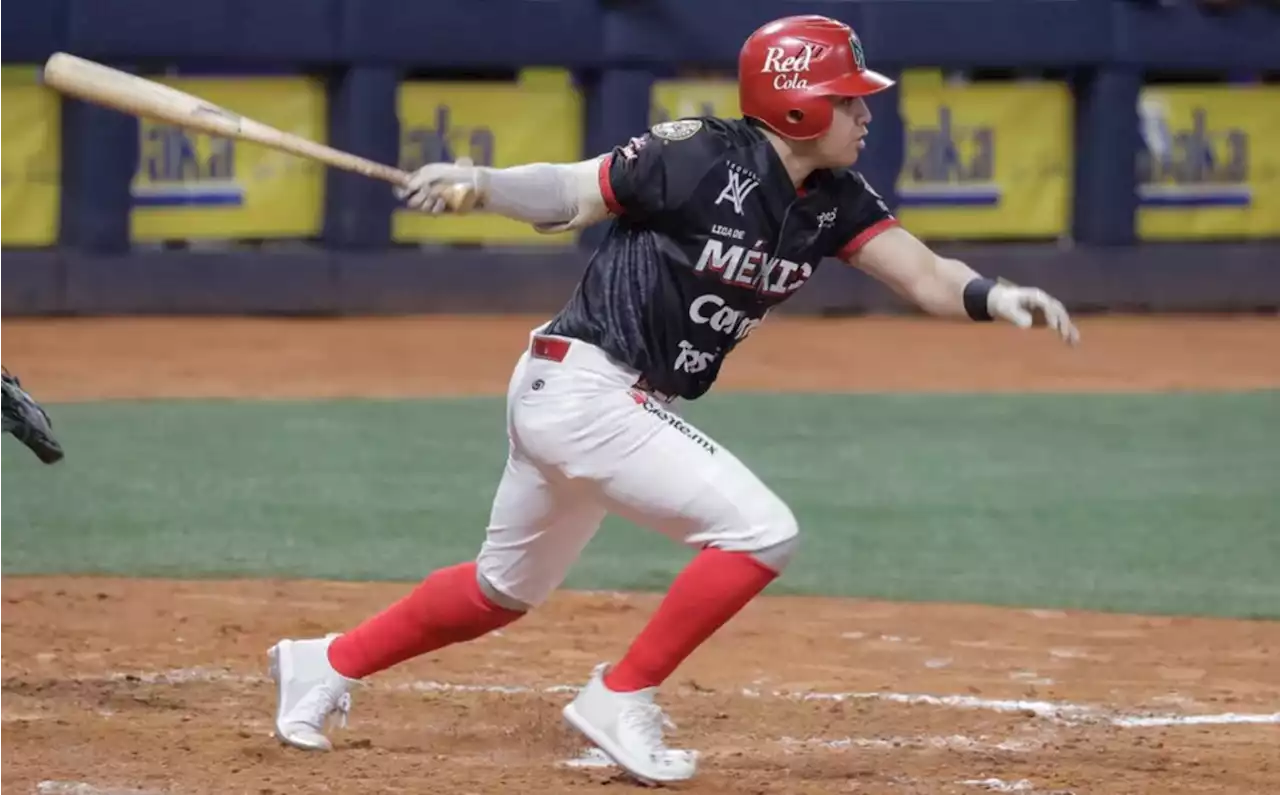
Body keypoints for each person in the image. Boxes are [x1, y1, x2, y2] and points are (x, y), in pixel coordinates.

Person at [267, 13, 1079, 786]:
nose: (864, 112)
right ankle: (620, 693)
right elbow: (571, 190)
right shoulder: (697, 155)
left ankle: (324, 662)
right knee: (762, 532)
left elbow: (926, 275)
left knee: (500, 591)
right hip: (585, 388)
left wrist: (995, 295)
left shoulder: (835, 197)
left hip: (596, 397)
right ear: (796, 103)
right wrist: (483, 185)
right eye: (846, 97)